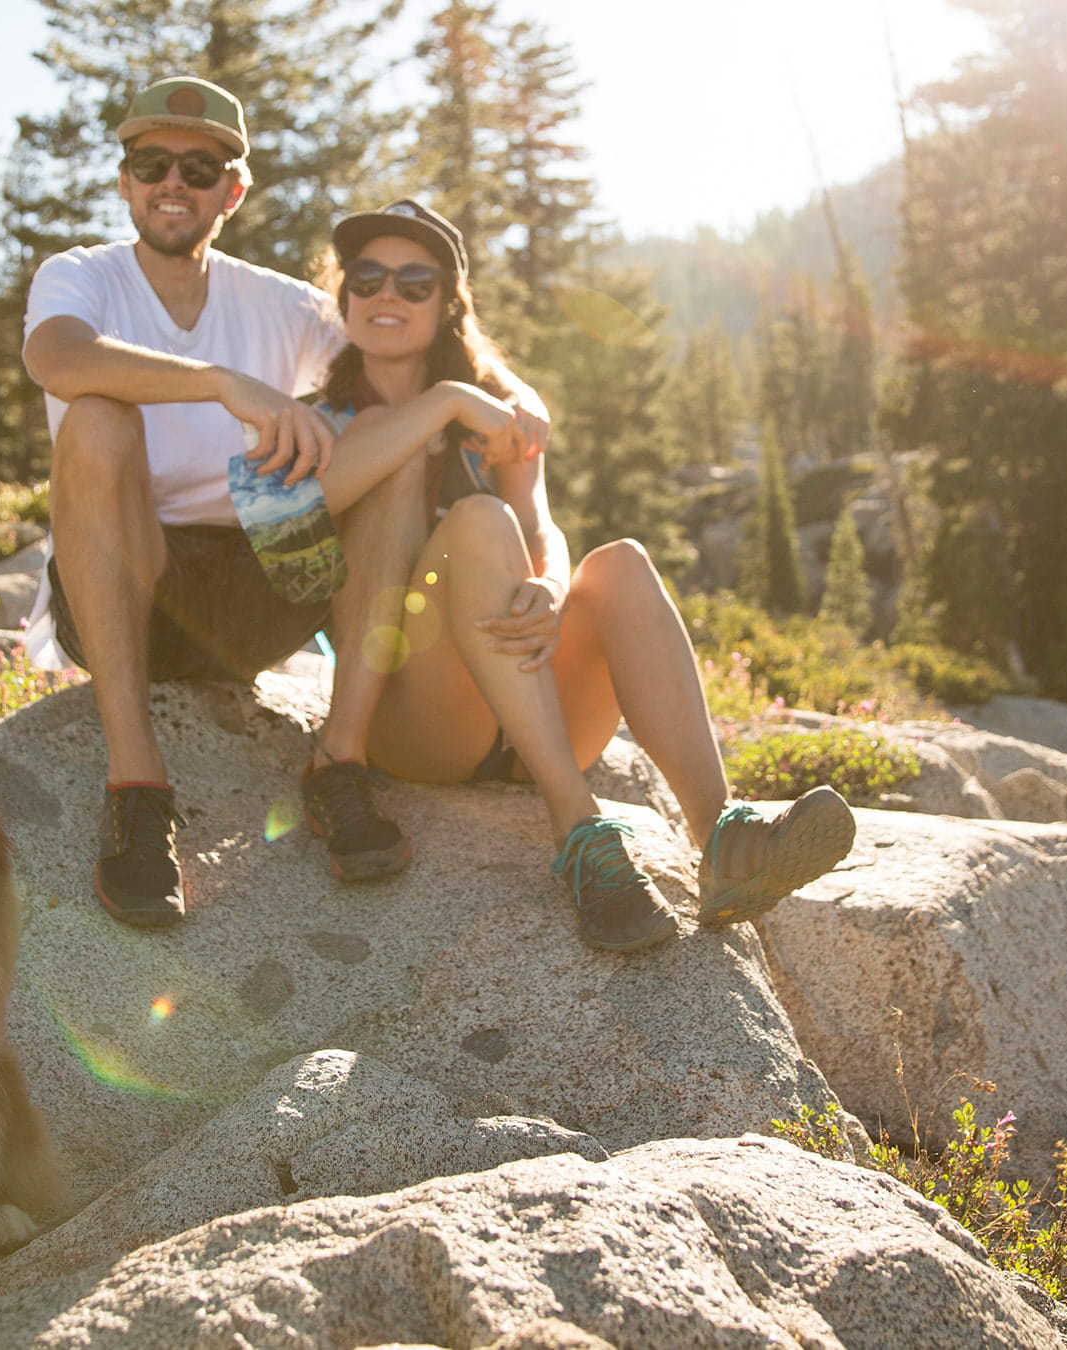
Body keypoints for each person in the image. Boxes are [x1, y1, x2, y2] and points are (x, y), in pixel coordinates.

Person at [20, 78, 526, 927]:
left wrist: (514, 393)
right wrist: (223, 384)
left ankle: (340, 764)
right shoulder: (81, 277)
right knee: (99, 419)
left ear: (233, 190)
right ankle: (138, 785)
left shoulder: (283, 303)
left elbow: (406, 326)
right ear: (125, 180)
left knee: (394, 440)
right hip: (126, 588)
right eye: (151, 162)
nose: (172, 182)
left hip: (261, 589)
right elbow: (60, 362)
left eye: (200, 165)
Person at [313, 199, 857, 952]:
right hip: (418, 721)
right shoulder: (322, 419)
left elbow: (539, 525)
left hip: (529, 698)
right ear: (342, 298)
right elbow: (318, 501)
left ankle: (722, 835)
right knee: (477, 523)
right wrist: (444, 402)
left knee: (623, 563)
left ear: (447, 306)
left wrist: (555, 586)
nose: (387, 295)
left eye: (415, 283)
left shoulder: (498, 418)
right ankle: (579, 829)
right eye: (367, 277)